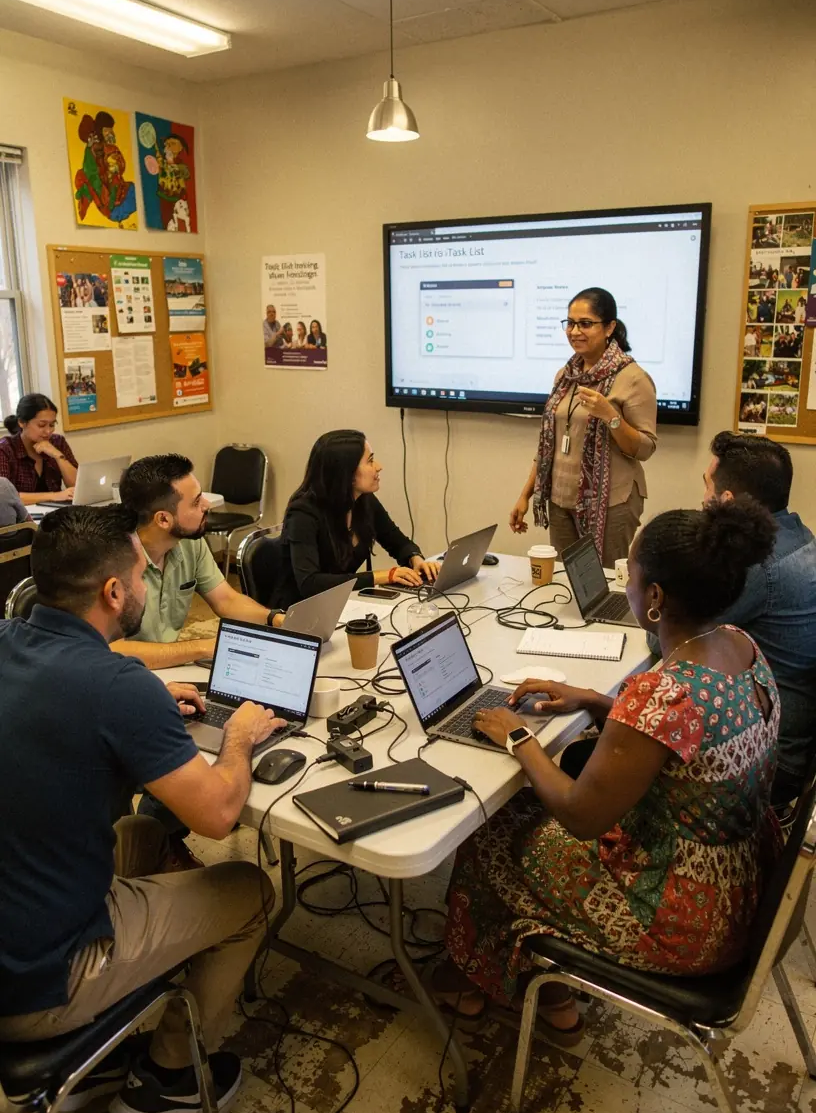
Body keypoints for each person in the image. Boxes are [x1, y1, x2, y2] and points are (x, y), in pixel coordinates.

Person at [432, 498, 780, 1034]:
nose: (629, 586)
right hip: (745, 889)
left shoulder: (663, 694)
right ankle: (546, 996)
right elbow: (689, 739)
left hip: (680, 921)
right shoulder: (741, 647)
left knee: (491, 832)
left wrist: (517, 735)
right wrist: (597, 700)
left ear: (656, 597)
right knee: (530, 802)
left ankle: (471, 986)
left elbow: (580, 816)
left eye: (632, 577)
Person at [0, 505, 284, 1113]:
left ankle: (95, 1061)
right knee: (251, 892)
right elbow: (217, 816)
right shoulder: (116, 685)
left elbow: (65, 707)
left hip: (13, 925)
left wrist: (144, 701)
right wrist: (238, 737)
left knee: (143, 833)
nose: (145, 580)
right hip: (42, 979)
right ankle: (172, 1077)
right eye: (141, 572)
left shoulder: (12, 642)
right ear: (113, 591)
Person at [700, 433, 816, 807]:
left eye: (707, 487)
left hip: (767, 756)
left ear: (727, 501)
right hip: (795, 738)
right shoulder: (800, 537)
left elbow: (676, 641)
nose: (703, 499)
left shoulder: (758, 566)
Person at [510, 288, 657, 568]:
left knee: (605, 586)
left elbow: (645, 448)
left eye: (586, 323)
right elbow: (548, 447)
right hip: (560, 498)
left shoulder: (633, 378)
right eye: (570, 323)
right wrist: (525, 495)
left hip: (611, 503)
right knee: (569, 582)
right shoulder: (566, 376)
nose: (575, 331)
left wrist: (610, 415)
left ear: (610, 327)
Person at [113, 454, 284, 671]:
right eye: (196, 502)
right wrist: (203, 648)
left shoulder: (189, 542)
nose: (206, 505)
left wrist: (274, 619)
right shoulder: (111, 560)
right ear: (163, 519)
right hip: (127, 675)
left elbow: (226, 600)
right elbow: (113, 650)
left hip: (170, 670)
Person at [273, 430, 440, 609]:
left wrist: (416, 559)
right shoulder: (303, 514)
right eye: (370, 461)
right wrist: (383, 575)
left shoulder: (364, 501)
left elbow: (397, 542)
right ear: (347, 472)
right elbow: (310, 584)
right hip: (298, 613)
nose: (379, 466)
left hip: (342, 605)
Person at [0, 393, 78, 506]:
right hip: (20, 519)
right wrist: (54, 496)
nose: (48, 431)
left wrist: (58, 456)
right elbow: (4, 497)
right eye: (41, 425)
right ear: (22, 423)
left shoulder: (57, 442)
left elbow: (77, 486)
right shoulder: (5, 449)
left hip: (55, 514)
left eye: (51, 425)